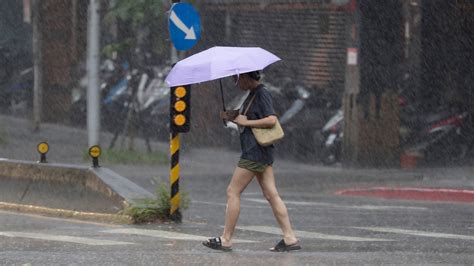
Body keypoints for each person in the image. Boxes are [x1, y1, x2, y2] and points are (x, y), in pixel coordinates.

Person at [202, 71, 301, 252]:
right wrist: (232, 116)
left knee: (233, 191)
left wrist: (245, 123)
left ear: (247, 77)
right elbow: (248, 117)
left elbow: (271, 119)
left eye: (236, 78)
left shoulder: (262, 93)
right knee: (271, 194)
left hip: (254, 152)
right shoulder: (252, 95)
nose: (234, 82)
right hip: (260, 152)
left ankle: (226, 239)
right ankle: (289, 238)